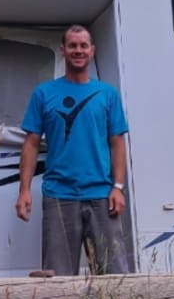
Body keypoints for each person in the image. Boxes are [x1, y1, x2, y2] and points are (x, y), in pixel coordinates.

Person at [15, 25, 131, 275]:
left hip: (102, 195)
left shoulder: (107, 94)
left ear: (92, 51)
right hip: (59, 196)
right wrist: (24, 190)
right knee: (58, 281)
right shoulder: (44, 93)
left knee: (114, 279)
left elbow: (117, 143)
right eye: (73, 46)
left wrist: (118, 187)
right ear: (63, 51)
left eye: (83, 45)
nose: (78, 50)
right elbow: (31, 143)